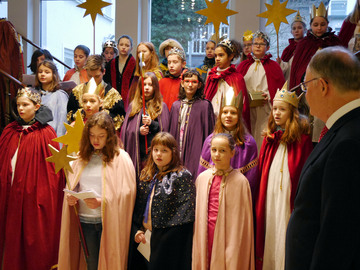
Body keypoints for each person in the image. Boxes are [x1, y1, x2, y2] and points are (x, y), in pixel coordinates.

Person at [285, 46, 360, 270]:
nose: (304, 95)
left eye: (305, 86)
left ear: (323, 85)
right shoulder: (342, 129)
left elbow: (338, 235)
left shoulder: (349, 142)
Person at [58, 111, 136, 270]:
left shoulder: (121, 158)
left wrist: (103, 201)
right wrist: (71, 197)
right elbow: (73, 184)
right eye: (92, 135)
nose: (96, 140)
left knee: (110, 262)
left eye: (101, 135)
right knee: (92, 265)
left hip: (107, 221)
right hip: (85, 220)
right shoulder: (82, 157)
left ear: (109, 135)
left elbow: (128, 193)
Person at [0, 87, 64, 270]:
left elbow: (52, 173)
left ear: (36, 106)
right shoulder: (9, 130)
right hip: (10, 193)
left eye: (25, 105)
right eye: (18, 105)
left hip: (33, 195)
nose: (20, 109)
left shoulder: (46, 133)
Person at [255, 84, 313, 270]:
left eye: (282, 109)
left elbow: (304, 171)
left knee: (285, 224)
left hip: (289, 193)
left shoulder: (302, 140)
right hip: (271, 191)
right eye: (274, 109)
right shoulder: (269, 138)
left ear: (292, 112)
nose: (277, 113)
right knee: (271, 223)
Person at [132, 132, 195, 270]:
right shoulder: (146, 174)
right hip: (144, 237)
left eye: (164, 151)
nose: (158, 154)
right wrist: (137, 230)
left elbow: (185, 215)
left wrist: (161, 238)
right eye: (156, 150)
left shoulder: (182, 176)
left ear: (173, 153)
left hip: (167, 242)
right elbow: (138, 207)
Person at [193, 133, 255, 270]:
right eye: (214, 150)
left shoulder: (241, 182)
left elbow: (243, 224)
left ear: (232, 153)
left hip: (229, 238)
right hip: (206, 233)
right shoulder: (202, 178)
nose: (217, 155)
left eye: (222, 151)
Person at [198, 88, 259, 199]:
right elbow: (202, 174)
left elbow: (252, 178)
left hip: (237, 195)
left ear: (239, 116)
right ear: (220, 115)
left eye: (233, 112)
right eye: (225, 112)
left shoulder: (248, 143)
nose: (228, 116)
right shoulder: (210, 141)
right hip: (214, 195)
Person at [237, 31, 285, 151]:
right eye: (255, 43)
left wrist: (268, 96)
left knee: (262, 135)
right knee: (248, 132)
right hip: (247, 108)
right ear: (251, 46)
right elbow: (237, 86)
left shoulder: (274, 66)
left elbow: (279, 89)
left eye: (262, 44)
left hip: (266, 108)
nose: (258, 46)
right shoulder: (243, 66)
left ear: (267, 47)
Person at [121, 72, 170, 178]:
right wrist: (138, 131)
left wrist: (152, 124)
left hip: (154, 154)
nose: (147, 88)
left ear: (155, 87)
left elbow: (165, 130)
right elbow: (126, 131)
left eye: (150, 85)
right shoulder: (133, 106)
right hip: (138, 153)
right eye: (144, 85)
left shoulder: (161, 106)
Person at [169, 69, 215, 180]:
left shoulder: (205, 106)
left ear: (199, 85)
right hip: (177, 149)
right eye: (187, 81)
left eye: (194, 82)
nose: (190, 85)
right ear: (182, 83)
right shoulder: (176, 106)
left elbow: (209, 132)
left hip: (195, 151)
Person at [289, 2, 342, 89]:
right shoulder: (304, 43)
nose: (319, 28)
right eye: (316, 25)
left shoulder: (335, 42)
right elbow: (297, 71)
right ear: (310, 26)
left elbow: (341, 66)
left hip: (331, 84)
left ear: (327, 24)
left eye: (322, 24)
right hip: (310, 85)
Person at [67, 54, 126, 131]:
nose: (93, 80)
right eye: (90, 76)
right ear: (86, 71)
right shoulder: (76, 91)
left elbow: (120, 119)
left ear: (103, 72)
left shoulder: (114, 95)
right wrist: (84, 112)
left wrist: (101, 113)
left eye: (97, 76)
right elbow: (69, 114)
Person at [204, 39, 250, 130]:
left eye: (221, 55)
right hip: (212, 120)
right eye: (216, 55)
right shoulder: (211, 76)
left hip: (229, 122)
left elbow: (242, 106)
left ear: (231, 56)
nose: (217, 58)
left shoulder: (237, 78)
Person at [35, 59, 69, 136]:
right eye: (40, 72)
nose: (42, 74)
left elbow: (62, 122)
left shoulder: (60, 95)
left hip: (51, 135)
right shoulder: (34, 93)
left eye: (47, 72)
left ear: (54, 75)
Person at [103, 35, 136, 110]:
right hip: (112, 101)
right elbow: (106, 82)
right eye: (121, 45)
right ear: (117, 46)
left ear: (131, 48)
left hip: (130, 102)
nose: (123, 47)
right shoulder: (111, 64)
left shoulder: (135, 65)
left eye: (127, 45)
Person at [127, 42, 163, 106]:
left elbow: (158, 96)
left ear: (151, 53)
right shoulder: (137, 75)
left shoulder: (156, 74)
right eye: (139, 52)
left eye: (144, 52)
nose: (141, 55)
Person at [277, 11, 307, 82]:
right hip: (290, 80)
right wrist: (280, 63)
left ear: (305, 30)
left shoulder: (308, 47)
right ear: (291, 31)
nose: (296, 30)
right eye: (294, 28)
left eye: (299, 28)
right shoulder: (288, 50)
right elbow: (286, 69)